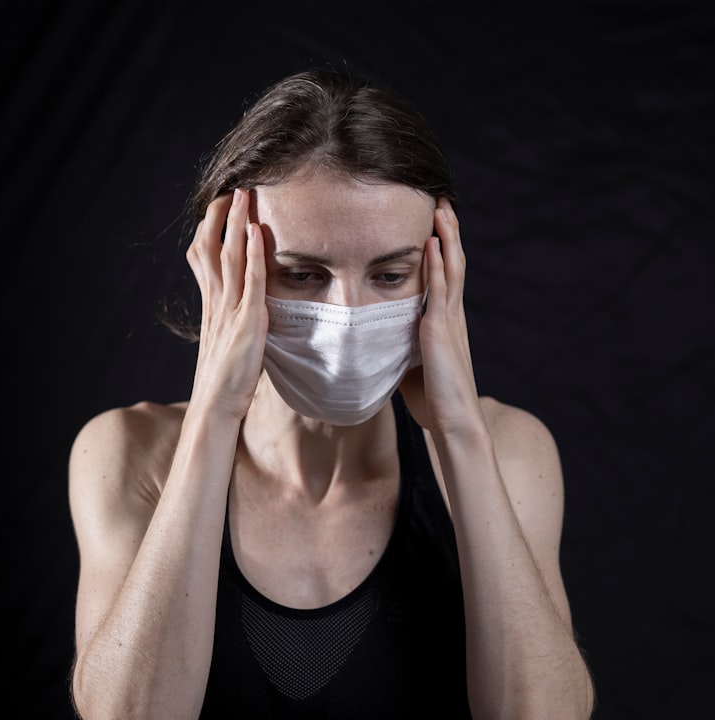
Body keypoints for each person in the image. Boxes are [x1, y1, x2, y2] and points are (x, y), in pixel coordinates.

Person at [67, 66, 595, 720]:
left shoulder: (511, 452)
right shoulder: (128, 452)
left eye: (390, 274)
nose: (348, 315)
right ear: (227, 265)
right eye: (302, 274)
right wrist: (214, 414)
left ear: (440, 270)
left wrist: (459, 433)